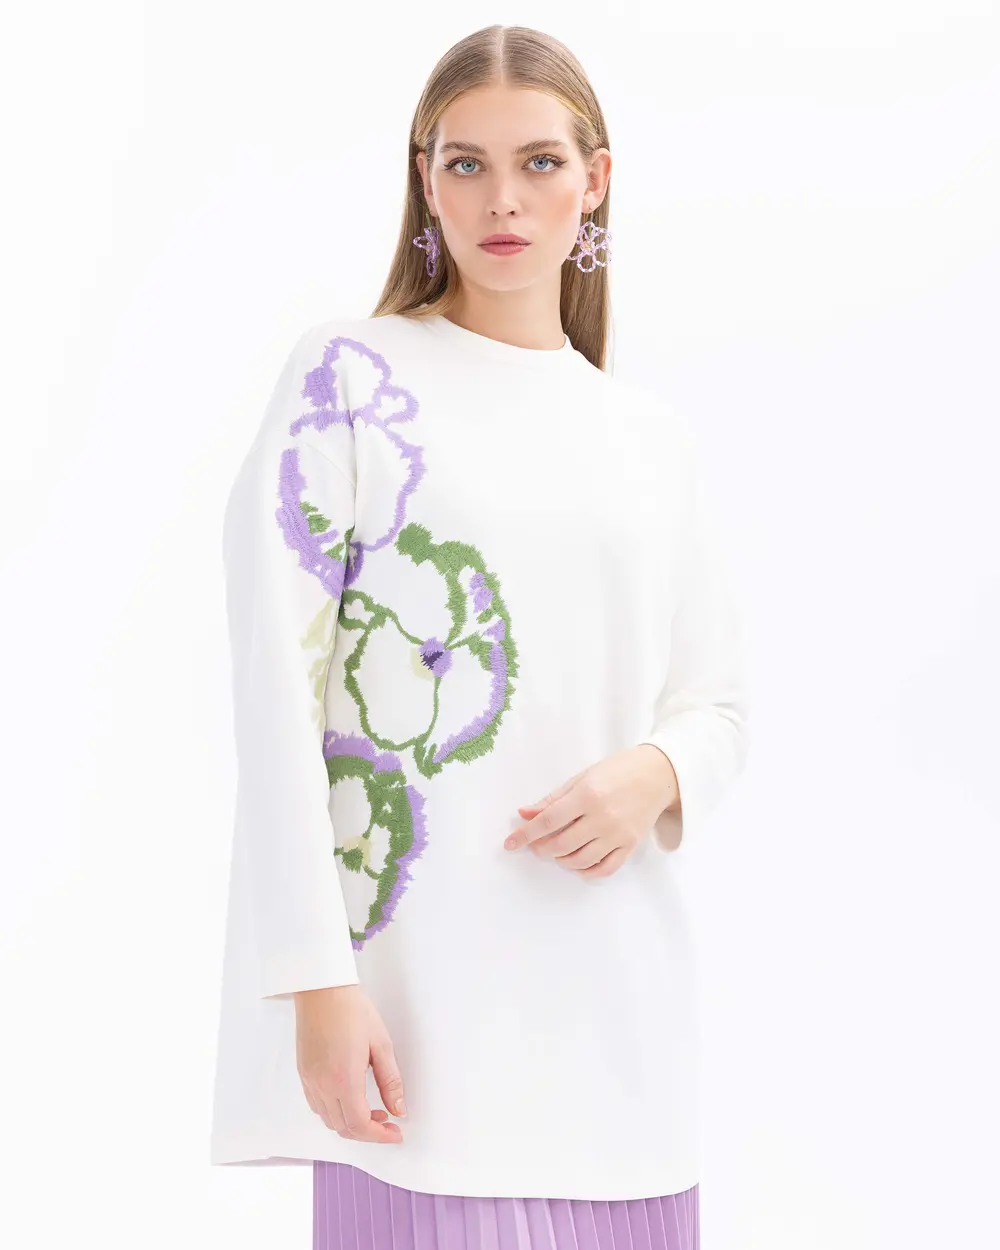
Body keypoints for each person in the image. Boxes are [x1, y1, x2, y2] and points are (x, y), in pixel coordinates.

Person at [209, 22, 750, 1250]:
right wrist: (314, 977)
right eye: (466, 164)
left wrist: (654, 772)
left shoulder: (649, 438)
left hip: (622, 1029)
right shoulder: (348, 379)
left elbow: (718, 704)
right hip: (421, 1028)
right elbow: (274, 686)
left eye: (539, 163)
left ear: (594, 180)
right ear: (426, 180)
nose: (502, 199)